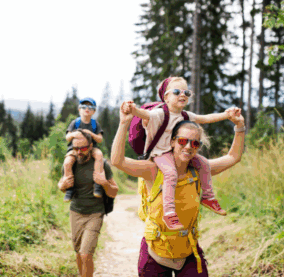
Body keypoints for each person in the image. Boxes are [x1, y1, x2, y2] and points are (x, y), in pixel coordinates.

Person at [111, 100, 246, 276]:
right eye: (183, 141)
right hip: (155, 254)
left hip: (188, 252)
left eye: (195, 143)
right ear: (172, 141)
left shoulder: (199, 170)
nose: (188, 147)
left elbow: (233, 157)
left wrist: (240, 126)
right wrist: (123, 123)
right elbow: (117, 161)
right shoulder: (153, 170)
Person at [124, 77, 240, 230]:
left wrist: (226, 115)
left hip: (176, 151)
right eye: (177, 92)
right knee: (171, 173)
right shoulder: (159, 114)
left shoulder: (185, 116)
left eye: (187, 92)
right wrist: (132, 109)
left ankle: (208, 197)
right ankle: (169, 212)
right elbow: (144, 114)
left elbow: (204, 119)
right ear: (166, 97)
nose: (182, 95)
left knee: (204, 163)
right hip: (160, 153)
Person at [57, 130, 118, 277]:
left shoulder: (102, 164)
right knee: (78, 253)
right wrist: (62, 186)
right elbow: (62, 185)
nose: (79, 152)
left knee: (86, 254)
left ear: (91, 146)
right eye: (75, 148)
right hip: (76, 212)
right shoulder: (70, 164)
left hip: (95, 213)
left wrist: (104, 183)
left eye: (83, 148)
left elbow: (114, 191)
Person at [60, 97, 108, 201]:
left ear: (94, 111)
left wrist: (91, 134)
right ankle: (70, 188)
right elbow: (67, 137)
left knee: (99, 155)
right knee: (67, 163)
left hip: (92, 148)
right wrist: (73, 134)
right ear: (79, 110)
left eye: (90, 107)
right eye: (84, 107)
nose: (87, 109)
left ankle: (97, 184)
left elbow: (100, 139)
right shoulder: (75, 123)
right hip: (75, 149)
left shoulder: (95, 124)